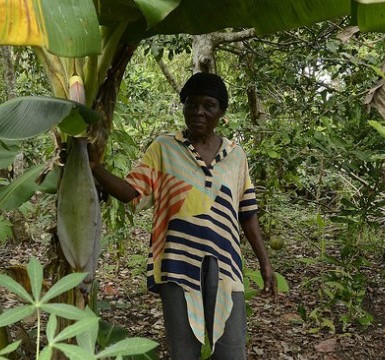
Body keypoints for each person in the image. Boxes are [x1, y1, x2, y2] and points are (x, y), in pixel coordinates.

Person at [89, 72, 276, 360]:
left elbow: (247, 214)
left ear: (221, 112)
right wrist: (94, 167)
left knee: (230, 349)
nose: (198, 112)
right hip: (177, 263)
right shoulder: (164, 148)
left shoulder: (236, 156)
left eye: (208, 105)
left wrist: (265, 264)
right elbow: (130, 192)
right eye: (191, 104)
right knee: (183, 349)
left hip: (226, 266)